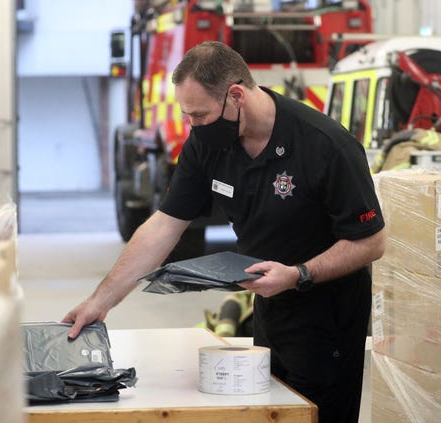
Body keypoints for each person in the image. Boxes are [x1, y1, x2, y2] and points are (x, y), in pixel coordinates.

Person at [62, 41, 385, 422]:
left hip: (328, 317)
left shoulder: (326, 146)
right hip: (269, 308)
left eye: (199, 115)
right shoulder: (208, 145)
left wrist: (299, 274)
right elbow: (164, 225)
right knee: (274, 412)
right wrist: (100, 302)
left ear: (236, 96)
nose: (192, 126)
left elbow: (370, 242)